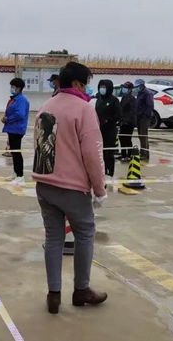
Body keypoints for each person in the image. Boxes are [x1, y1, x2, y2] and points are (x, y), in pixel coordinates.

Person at [32, 62, 108, 314]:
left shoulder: (46, 106)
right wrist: (100, 189)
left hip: (45, 183)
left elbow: (39, 145)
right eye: (85, 83)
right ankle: (81, 290)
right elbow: (93, 154)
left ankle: (53, 295)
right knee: (85, 234)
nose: (86, 88)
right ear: (77, 83)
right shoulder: (84, 109)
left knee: (53, 238)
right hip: (72, 187)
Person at [3, 77, 30, 184]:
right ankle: (15, 172)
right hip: (12, 128)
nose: (11, 88)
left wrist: (8, 119)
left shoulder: (21, 100)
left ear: (19, 88)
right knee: (13, 152)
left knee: (17, 152)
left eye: (13, 86)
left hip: (17, 129)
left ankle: (20, 175)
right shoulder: (14, 99)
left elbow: (20, 114)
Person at [95, 79, 121, 176]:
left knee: (109, 153)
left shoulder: (114, 100)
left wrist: (108, 120)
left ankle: (110, 172)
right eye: (101, 87)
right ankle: (103, 171)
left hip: (110, 131)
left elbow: (118, 115)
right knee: (100, 153)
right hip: (99, 130)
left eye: (104, 87)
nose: (102, 89)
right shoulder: (99, 99)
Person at [134, 79, 154, 160]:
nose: (136, 88)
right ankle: (142, 151)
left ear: (142, 85)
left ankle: (145, 153)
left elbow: (150, 105)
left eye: (138, 86)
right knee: (140, 135)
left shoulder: (147, 93)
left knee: (143, 135)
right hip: (139, 117)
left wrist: (145, 115)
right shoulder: (140, 93)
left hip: (144, 118)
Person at [118, 82, 137, 162]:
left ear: (130, 89)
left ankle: (129, 155)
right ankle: (123, 154)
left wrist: (127, 120)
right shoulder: (124, 97)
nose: (124, 89)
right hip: (123, 122)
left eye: (125, 88)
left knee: (127, 139)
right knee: (121, 138)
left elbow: (133, 112)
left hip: (129, 123)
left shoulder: (132, 99)